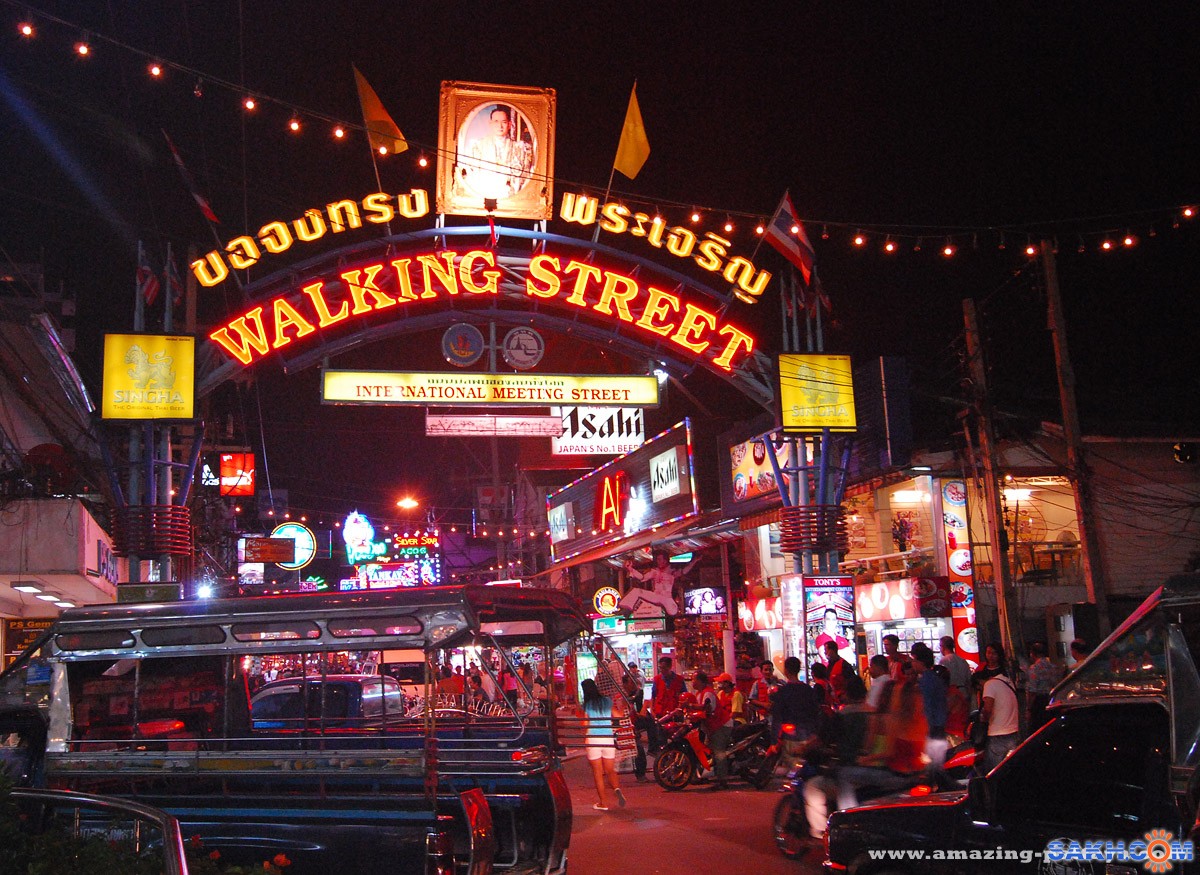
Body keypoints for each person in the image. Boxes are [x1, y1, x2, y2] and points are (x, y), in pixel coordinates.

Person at [460, 104, 534, 200]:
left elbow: (525, 177)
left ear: (509, 124)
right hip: (485, 193)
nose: (500, 126)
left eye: (504, 122)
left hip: (510, 197)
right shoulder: (478, 147)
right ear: (490, 123)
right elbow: (472, 175)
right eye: (496, 121)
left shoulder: (519, 149)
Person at [581, 678, 626, 811]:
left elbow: (585, 723)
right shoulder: (607, 701)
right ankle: (617, 788)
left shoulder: (588, 705)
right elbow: (618, 715)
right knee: (610, 770)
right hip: (608, 739)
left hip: (594, 739)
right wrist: (622, 708)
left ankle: (603, 803)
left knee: (598, 773)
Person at [771, 656, 820, 763]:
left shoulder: (783, 692)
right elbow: (816, 713)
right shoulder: (808, 690)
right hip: (808, 736)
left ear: (786, 670)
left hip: (791, 737)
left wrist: (774, 741)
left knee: (792, 767)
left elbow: (778, 718)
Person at [621, 550, 697, 616]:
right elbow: (642, 578)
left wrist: (694, 561)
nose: (658, 561)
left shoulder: (672, 571)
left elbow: (684, 571)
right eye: (657, 560)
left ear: (665, 560)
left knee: (673, 611)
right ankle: (626, 610)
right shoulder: (654, 571)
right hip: (656, 596)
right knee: (636, 591)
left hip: (667, 598)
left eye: (659, 559)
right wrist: (631, 569)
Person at [694, 671, 734, 790]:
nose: (692, 682)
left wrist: (691, 706)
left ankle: (723, 780)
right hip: (711, 727)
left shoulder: (708, 694)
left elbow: (707, 708)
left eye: (694, 679)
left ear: (700, 681)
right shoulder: (699, 694)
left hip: (720, 725)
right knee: (707, 749)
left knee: (718, 752)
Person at [912, 647, 949, 767]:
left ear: (921, 662)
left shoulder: (926, 681)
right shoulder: (934, 678)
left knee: (932, 764)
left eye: (914, 660)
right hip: (939, 726)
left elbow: (926, 707)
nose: (912, 664)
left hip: (932, 728)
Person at [980, 666, 1020, 772]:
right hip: (1013, 732)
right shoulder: (1008, 682)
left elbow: (988, 709)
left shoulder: (989, 684)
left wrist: (983, 718)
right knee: (1010, 770)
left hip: (997, 735)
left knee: (994, 772)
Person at [649, 656, 687, 750]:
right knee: (662, 739)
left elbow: (685, 696)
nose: (662, 670)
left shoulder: (679, 680)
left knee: (677, 738)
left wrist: (681, 709)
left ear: (670, 666)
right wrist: (652, 711)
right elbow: (653, 696)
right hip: (661, 714)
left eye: (664, 668)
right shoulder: (657, 680)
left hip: (676, 714)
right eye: (660, 668)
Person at [1024, 641, 1061, 734]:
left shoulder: (1034, 668)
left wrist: (1028, 709)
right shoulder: (1053, 667)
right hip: (1052, 700)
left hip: (1039, 702)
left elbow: (1032, 691)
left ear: (1032, 654)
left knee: (1036, 731)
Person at [971, 644, 1007, 708]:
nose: (991, 656)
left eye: (994, 653)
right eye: (989, 653)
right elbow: (973, 682)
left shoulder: (1004, 670)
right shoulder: (981, 668)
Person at [823, 640, 857, 707]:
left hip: (844, 702)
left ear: (831, 650)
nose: (825, 652)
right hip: (834, 702)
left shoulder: (844, 665)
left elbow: (852, 682)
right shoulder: (829, 666)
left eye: (826, 650)